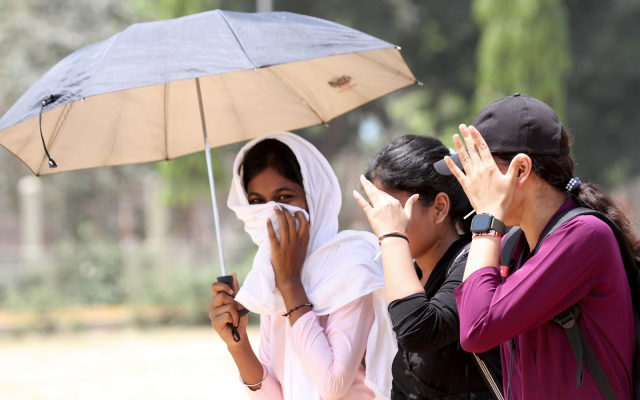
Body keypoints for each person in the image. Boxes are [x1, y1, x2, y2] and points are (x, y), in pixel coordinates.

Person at [436, 93, 637, 399]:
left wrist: (487, 218)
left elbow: (476, 329)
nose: (469, 182)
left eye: (480, 170)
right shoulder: (513, 245)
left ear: (520, 170)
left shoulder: (584, 236)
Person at [208, 131, 396, 400]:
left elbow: (332, 385)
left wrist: (290, 284)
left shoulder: (350, 264)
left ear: (313, 198)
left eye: (284, 198)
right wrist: (237, 345)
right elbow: (276, 396)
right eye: (257, 202)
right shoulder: (268, 273)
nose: (272, 214)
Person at [353, 134, 502, 400]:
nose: (383, 223)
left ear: (439, 208)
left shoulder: (474, 262)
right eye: (380, 212)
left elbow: (419, 330)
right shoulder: (412, 275)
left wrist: (393, 237)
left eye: (394, 211)